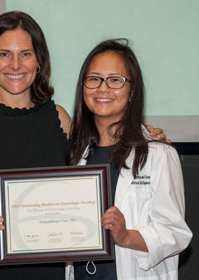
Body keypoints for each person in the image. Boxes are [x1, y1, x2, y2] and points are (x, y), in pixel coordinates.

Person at [0, 11, 167, 280]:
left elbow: (101, 149)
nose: (15, 65)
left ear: (38, 60)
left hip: (49, 268)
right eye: (4, 54)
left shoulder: (60, 118)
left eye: (25, 54)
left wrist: (147, 137)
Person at [68, 39, 192, 280]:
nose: (102, 88)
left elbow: (175, 234)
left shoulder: (160, 155)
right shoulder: (73, 156)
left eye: (115, 80)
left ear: (132, 92)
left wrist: (126, 236)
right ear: (83, 88)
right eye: (94, 79)